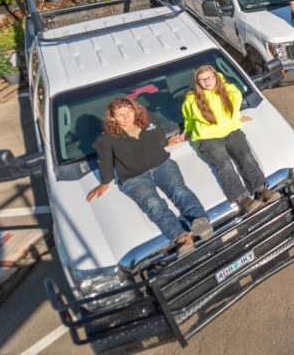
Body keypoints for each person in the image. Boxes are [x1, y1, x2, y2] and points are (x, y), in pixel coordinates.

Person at [88, 98, 211, 255]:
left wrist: (167, 143)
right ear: (112, 117)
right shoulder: (106, 139)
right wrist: (104, 183)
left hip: (162, 165)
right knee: (153, 204)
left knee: (178, 190)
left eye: (129, 112)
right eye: (120, 115)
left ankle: (200, 220)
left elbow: (160, 139)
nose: (126, 117)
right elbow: (105, 162)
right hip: (134, 177)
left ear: (134, 110)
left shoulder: (148, 119)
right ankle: (182, 238)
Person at [181, 66, 278, 214]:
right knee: (225, 165)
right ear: (197, 82)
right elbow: (189, 118)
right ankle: (243, 199)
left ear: (216, 76)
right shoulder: (191, 100)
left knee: (246, 157)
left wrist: (237, 117)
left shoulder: (230, 90)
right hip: (208, 137)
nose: (206, 82)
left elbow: (234, 105)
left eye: (209, 78)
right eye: (202, 80)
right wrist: (187, 131)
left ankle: (261, 190)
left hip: (231, 130)